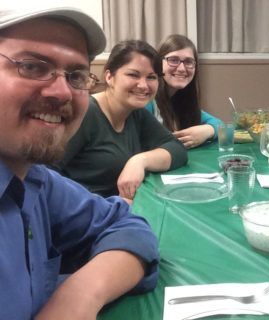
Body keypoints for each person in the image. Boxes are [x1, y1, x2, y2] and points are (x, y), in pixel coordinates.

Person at [0, 6, 159, 319]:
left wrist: (79, 295)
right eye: (32, 66)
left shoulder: (36, 180)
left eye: (75, 75)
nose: (62, 92)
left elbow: (127, 225)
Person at [52, 40, 188, 200]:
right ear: (109, 77)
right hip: (88, 216)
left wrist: (139, 161)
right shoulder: (87, 113)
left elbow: (177, 150)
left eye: (151, 77)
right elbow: (47, 177)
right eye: (133, 75)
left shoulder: (136, 112)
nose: (144, 85)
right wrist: (104, 208)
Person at [146, 34, 223, 149]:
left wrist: (207, 130)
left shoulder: (180, 100)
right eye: (173, 60)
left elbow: (219, 124)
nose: (182, 68)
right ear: (158, 63)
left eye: (188, 62)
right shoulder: (148, 101)